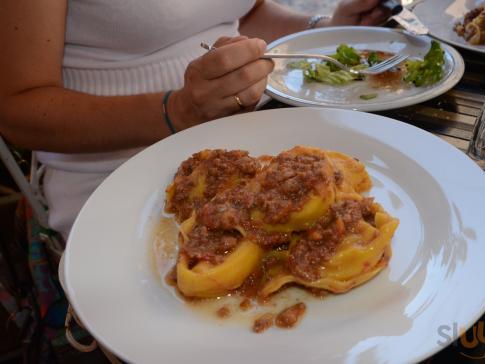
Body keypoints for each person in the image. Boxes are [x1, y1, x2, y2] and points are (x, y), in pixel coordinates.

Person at [0, 0, 391, 240]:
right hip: (113, 176)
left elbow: (242, 12)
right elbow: (18, 111)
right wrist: (179, 111)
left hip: (251, 140)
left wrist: (325, 28)